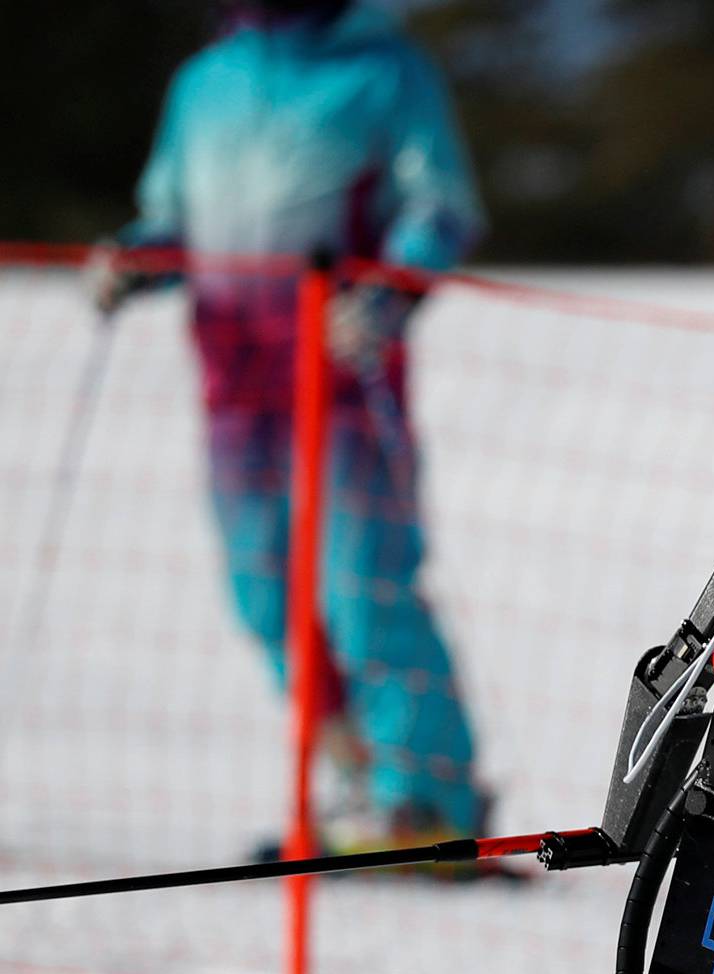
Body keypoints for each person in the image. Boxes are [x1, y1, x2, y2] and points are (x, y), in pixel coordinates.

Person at [89, 1, 487, 849]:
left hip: (343, 367)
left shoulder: (386, 69)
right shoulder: (204, 83)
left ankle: (430, 806)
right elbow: (173, 218)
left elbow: (440, 205)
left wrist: (389, 292)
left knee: (363, 588)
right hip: (236, 379)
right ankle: (357, 780)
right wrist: (133, 259)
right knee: (263, 590)